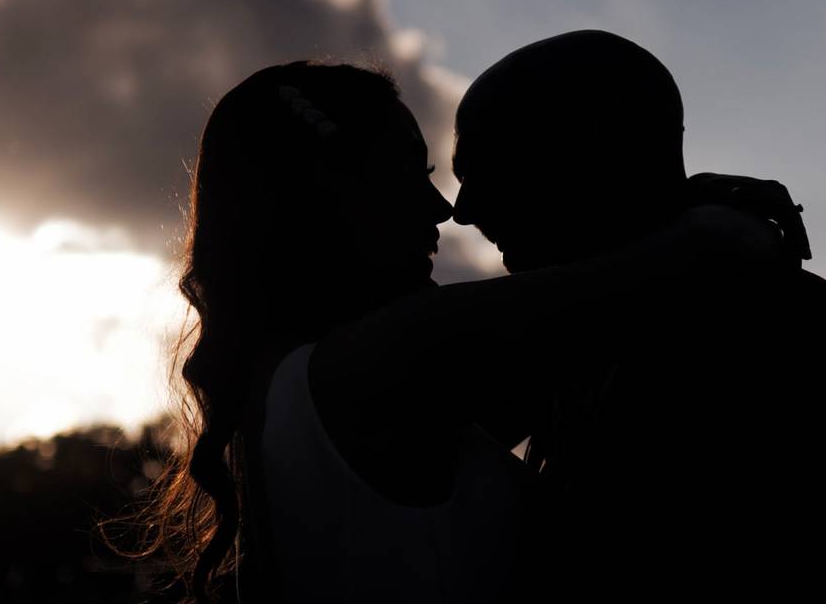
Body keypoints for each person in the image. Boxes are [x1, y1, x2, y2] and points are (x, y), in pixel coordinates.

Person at [149, 60, 783, 603]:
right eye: (412, 173)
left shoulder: (311, 394)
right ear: (334, 192)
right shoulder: (380, 366)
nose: (445, 208)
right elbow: (694, 255)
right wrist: (701, 213)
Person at [451, 30, 826, 594]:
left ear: (596, 151)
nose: (463, 209)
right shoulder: (590, 345)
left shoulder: (766, 335)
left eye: (488, 167)